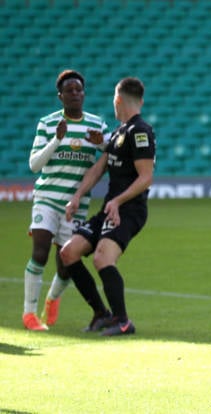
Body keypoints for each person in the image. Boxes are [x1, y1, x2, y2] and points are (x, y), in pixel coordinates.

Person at [59, 77, 155, 336]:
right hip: (109, 209)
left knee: (102, 258)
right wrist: (77, 195)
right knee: (68, 253)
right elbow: (98, 169)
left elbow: (146, 177)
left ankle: (123, 321)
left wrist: (117, 200)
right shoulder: (119, 133)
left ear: (118, 99)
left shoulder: (141, 131)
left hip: (129, 210)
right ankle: (102, 314)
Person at [23, 69, 110, 331]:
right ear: (60, 96)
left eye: (79, 90)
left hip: (76, 203)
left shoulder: (97, 125)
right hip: (47, 197)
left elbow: (111, 157)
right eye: (69, 90)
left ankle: (51, 300)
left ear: (84, 94)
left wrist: (102, 144)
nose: (75, 94)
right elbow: (34, 165)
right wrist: (56, 140)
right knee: (39, 250)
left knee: (66, 264)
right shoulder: (48, 123)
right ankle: (29, 315)